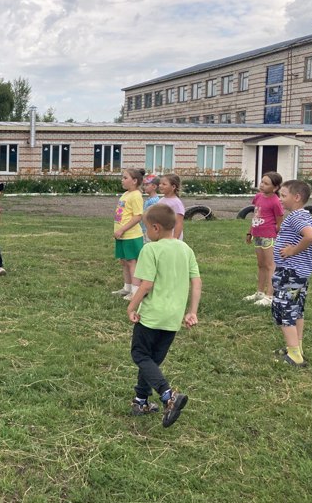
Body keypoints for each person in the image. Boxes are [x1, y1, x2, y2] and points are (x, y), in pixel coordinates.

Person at [127, 204, 201, 428]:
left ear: (156, 228)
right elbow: (196, 282)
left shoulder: (150, 249)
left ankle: (168, 395)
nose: (145, 232)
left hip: (151, 316)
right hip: (172, 318)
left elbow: (146, 285)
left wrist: (131, 306)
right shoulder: (185, 249)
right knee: (152, 360)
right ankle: (141, 400)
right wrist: (192, 311)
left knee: (140, 354)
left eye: (145, 228)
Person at [271, 180, 312, 367]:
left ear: (296, 197)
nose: (280, 199)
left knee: (285, 309)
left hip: (290, 274)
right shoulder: (305, 215)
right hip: (299, 275)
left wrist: (294, 250)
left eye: (283, 195)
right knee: (297, 310)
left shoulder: (296, 217)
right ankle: (296, 347)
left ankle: (295, 355)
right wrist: (305, 249)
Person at [243, 172, 284, 307]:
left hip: (269, 237)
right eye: (262, 182)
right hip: (258, 235)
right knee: (261, 265)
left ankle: (270, 296)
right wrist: (250, 232)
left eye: (266, 183)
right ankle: (259, 292)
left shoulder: (276, 202)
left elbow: (279, 221)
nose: (261, 185)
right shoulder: (258, 197)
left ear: (276, 188)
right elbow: (256, 215)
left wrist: (274, 234)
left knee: (270, 266)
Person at [111, 168, 145, 300]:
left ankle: (136, 292)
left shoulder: (136, 195)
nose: (122, 180)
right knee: (124, 261)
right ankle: (127, 287)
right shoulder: (126, 194)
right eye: (122, 177)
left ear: (135, 181)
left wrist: (122, 229)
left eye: (125, 178)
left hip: (131, 235)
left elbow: (138, 216)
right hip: (122, 235)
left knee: (132, 262)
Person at [156, 173, 185, 240]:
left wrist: (175, 239)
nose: (160, 186)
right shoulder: (161, 200)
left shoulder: (176, 203)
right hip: (162, 235)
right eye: (160, 183)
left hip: (171, 236)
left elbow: (179, 223)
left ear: (173, 187)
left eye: (164, 184)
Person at [141, 174, 161, 242]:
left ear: (154, 186)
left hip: (149, 230)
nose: (144, 187)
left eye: (147, 185)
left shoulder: (154, 201)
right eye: (144, 185)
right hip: (145, 229)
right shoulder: (150, 199)